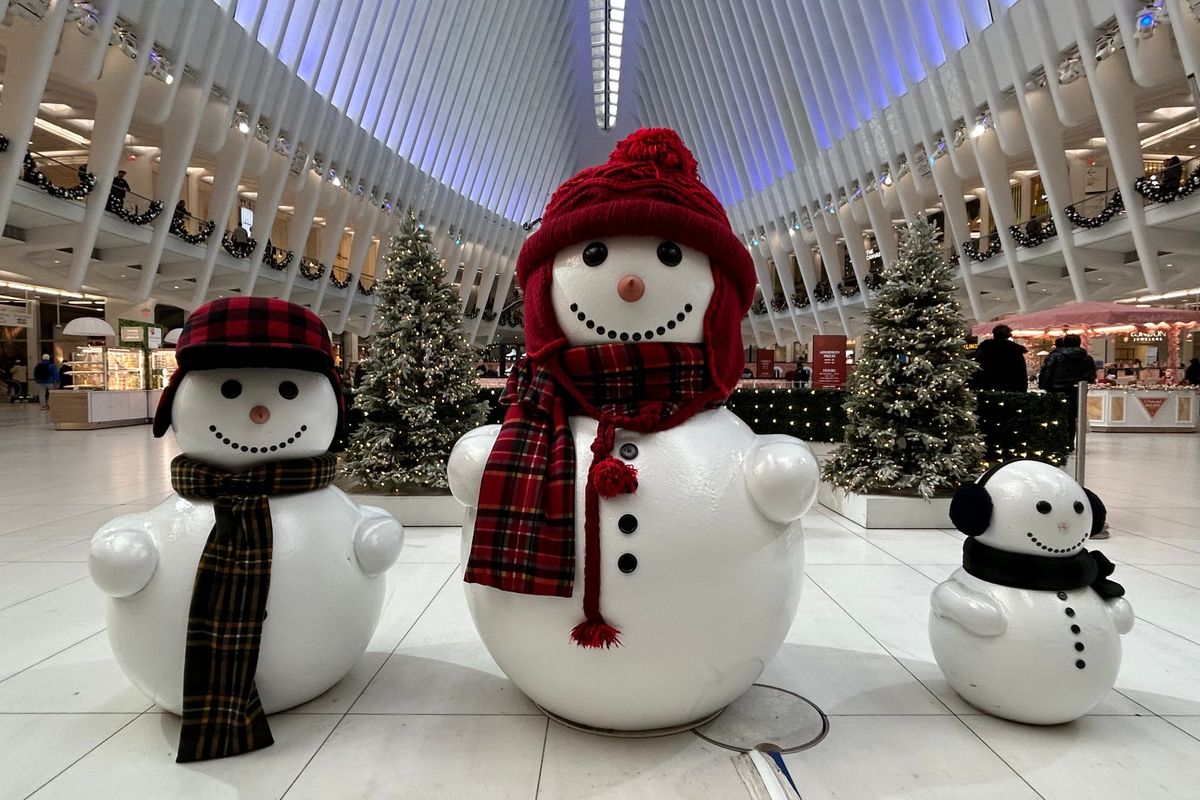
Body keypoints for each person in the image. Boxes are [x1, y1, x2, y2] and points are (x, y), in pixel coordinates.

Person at [1038, 334, 1095, 438]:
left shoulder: (1055, 356)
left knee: (1055, 415)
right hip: (1076, 391)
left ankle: (1056, 440)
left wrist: (1043, 386)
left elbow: (1047, 372)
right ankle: (1070, 442)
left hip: (1056, 389)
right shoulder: (1086, 358)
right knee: (1071, 417)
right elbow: (1090, 377)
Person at [973, 324, 1028, 392]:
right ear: (1009, 335)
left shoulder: (985, 348)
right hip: (1009, 389)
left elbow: (977, 368)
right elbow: (1021, 373)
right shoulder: (1014, 350)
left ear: (994, 334)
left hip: (986, 387)